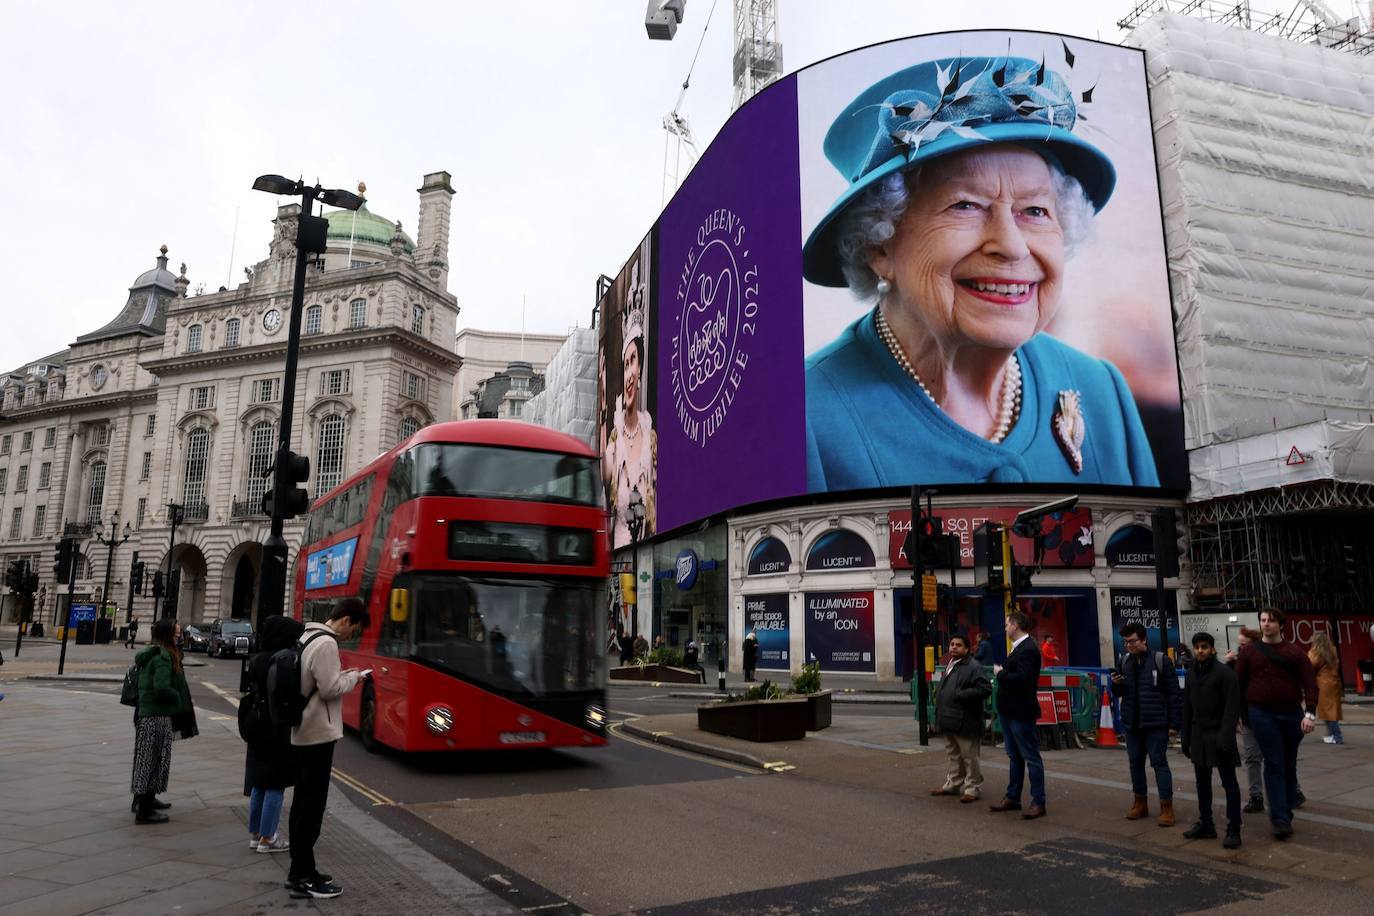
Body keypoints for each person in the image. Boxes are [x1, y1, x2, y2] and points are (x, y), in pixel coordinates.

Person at [802, 54, 1159, 492]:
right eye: (966, 205)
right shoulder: (807, 419)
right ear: (879, 244)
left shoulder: (1102, 393)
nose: (1011, 245)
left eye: (1035, 210)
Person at [287, 600, 369, 899]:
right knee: (310, 808)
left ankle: (302, 870)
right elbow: (329, 688)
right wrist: (354, 678)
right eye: (354, 630)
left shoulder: (308, 635)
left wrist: (342, 675)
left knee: (303, 804)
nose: (351, 636)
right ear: (346, 620)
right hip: (316, 734)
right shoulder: (327, 643)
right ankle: (302, 877)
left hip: (305, 732)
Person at [1235, 607, 1318, 840]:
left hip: (1291, 713)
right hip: (1261, 713)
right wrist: (1238, 715)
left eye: (1271, 620)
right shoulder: (1249, 652)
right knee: (1274, 763)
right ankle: (1280, 819)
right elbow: (1238, 684)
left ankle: (1286, 808)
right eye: (1263, 620)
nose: (1266, 624)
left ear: (1281, 624)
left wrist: (1310, 713)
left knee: (1288, 765)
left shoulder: (1294, 652)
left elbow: (1310, 683)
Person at [600, 259, 656, 548]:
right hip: (616, 560)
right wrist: (603, 409)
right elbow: (601, 477)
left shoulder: (652, 439)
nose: (630, 373)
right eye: (625, 364)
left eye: (634, 361)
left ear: (641, 368)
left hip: (648, 554)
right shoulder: (614, 440)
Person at [244, 615, 304, 854]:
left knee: (259, 781)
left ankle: (255, 833)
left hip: (257, 724)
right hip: (276, 727)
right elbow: (289, 696)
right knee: (275, 784)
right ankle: (268, 837)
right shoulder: (284, 659)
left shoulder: (258, 658)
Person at [1112, 622, 1182, 827]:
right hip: (1132, 723)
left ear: (1143, 639)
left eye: (1132, 641)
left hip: (1156, 723)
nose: (1129, 645)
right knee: (1135, 764)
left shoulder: (1161, 661)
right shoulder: (1124, 662)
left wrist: (1174, 724)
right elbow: (1120, 693)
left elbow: (1173, 694)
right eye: (1126, 642)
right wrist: (1117, 685)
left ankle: (1166, 807)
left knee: (1159, 763)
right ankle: (1140, 803)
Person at [1180, 632, 1243, 849]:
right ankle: (1206, 823)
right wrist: (1185, 736)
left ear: (1212, 649)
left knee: (1229, 784)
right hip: (1199, 735)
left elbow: (1232, 708)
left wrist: (1225, 738)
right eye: (1197, 647)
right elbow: (1187, 707)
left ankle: (1234, 829)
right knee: (1202, 783)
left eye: (1204, 647)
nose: (1200, 651)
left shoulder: (1225, 674)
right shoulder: (1191, 674)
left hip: (1219, 734)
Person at [130, 618, 189, 824]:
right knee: (152, 761)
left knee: (148, 760)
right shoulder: (163, 657)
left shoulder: (155, 653)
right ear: (168, 636)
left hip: (148, 713)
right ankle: (144, 811)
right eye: (177, 634)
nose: (180, 637)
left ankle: (146, 801)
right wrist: (177, 697)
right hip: (156, 714)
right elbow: (161, 687)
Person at [989, 611, 1045, 819]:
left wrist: (1000, 674)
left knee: (1030, 756)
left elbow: (1023, 679)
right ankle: (1013, 797)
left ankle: (1038, 801)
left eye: (1007, 624)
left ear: (1015, 625)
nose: (1005, 628)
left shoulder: (1028, 649)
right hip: (1009, 710)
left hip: (1020, 711)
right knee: (1014, 756)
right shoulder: (1018, 647)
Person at [931, 633, 992, 802]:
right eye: (952, 644)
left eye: (958, 645)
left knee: (969, 756)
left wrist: (960, 694)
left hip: (965, 720)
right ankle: (953, 784)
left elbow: (985, 688)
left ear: (967, 649)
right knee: (954, 755)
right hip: (948, 718)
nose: (954, 647)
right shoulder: (951, 663)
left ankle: (972, 788)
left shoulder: (974, 666)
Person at [1308, 631, 1343, 746]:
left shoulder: (1316, 652)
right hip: (1334, 682)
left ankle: (1337, 736)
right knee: (1331, 710)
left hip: (1324, 684)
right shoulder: (1332, 650)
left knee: (1328, 712)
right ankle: (1331, 734)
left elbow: (1310, 666)